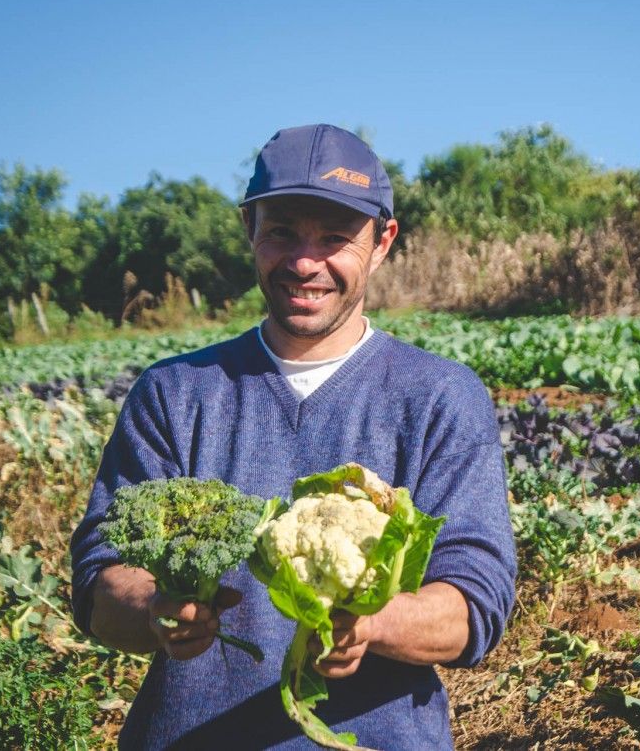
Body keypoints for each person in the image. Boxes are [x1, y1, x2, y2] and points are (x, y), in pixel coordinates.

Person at [70, 124, 517, 750]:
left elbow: (476, 603)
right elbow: (98, 578)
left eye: (335, 238)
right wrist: (154, 607)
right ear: (251, 228)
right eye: (282, 231)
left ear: (382, 241)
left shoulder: (439, 397)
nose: (305, 263)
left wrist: (371, 622)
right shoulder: (175, 393)